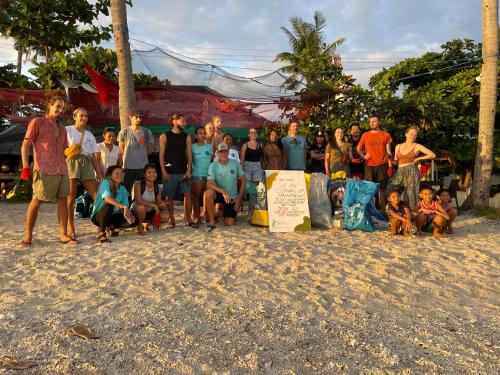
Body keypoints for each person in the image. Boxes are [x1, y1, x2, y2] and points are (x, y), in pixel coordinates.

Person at [19, 95, 78, 247]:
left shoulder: (63, 128)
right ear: (50, 106)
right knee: (36, 202)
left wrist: (72, 151)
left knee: (63, 202)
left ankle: (63, 235)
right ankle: (28, 236)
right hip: (44, 168)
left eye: (63, 108)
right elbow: (25, 145)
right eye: (58, 106)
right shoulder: (37, 122)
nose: (60, 110)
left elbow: (64, 150)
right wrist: (26, 167)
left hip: (62, 169)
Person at [65, 108, 104, 239]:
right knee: (70, 198)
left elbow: (93, 156)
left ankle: (100, 225)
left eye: (86, 116)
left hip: (86, 162)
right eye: (81, 115)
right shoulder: (67, 130)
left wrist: (98, 171)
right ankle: (70, 227)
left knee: (97, 196)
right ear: (74, 116)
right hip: (71, 162)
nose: (84, 118)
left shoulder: (89, 135)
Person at [159, 113, 197, 228]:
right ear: (174, 121)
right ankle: (172, 219)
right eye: (182, 121)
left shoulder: (187, 136)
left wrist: (189, 169)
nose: (185, 123)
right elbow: (161, 155)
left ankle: (188, 219)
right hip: (169, 172)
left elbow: (189, 154)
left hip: (183, 172)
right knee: (169, 197)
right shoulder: (164, 136)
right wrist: (163, 171)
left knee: (188, 194)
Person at [390, 126, 436, 211]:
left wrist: (419, 158)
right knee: (393, 190)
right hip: (400, 171)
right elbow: (396, 162)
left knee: (411, 195)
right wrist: (389, 160)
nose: (413, 136)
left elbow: (432, 155)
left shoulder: (417, 146)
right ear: (406, 134)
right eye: (411, 134)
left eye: (415, 135)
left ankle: (412, 214)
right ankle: (395, 211)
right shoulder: (398, 146)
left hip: (412, 170)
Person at [206, 143, 247, 231]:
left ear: (228, 152)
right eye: (221, 152)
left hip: (231, 196)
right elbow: (209, 184)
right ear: (217, 153)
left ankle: (220, 213)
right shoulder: (213, 165)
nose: (223, 154)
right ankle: (212, 221)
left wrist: (239, 197)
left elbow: (243, 180)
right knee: (209, 192)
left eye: (225, 151)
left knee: (229, 223)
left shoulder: (235, 163)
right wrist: (223, 192)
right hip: (220, 194)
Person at [356, 116, 393, 210]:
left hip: (382, 164)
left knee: (382, 189)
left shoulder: (386, 135)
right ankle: (372, 211)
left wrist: (390, 165)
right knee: (370, 189)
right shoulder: (365, 135)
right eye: (370, 122)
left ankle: (383, 212)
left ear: (379, 122)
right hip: (369, 165)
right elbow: (358, 148)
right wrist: (364, 156)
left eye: (374, 121)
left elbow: (389, 152)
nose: (372, 123)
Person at [91, 166, 134, 243]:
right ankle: (102, 233)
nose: (119, 175)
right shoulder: (105, 182)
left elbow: (125, 207)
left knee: (134, 219)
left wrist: (129, 214)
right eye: (116, 173)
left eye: (121, 173)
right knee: (109, 206)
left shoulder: (123, 188)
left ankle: (111, 226)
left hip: (113, 216)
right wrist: (122, 207)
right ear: (110, 175)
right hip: (98, 217)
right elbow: (107, 199)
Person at [117, 111, 154, 193]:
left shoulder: (147, 132)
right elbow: (121, 149)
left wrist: (141, 155)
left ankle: (141, 205)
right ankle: (126, 205)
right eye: (136, 117)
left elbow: (150, 148)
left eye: (140, 117)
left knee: (143, 189)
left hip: (143, 167)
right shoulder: (124, 131)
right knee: (127, 190)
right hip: (128, 167)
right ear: (131, 117)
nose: (138, 119)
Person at [131, 164, 168, 234]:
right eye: (149, 172)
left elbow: (158, 203)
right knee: (141, 207)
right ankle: (140, 225)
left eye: (154, 172)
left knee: (166, 215)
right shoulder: (138, 184)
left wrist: (162, 204)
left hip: (150, 211)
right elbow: (139, 200)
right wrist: (154, 206)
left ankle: (147, 224)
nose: (152, 174)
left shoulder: (158, 188)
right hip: (137, 211)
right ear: (144, 174)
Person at [191, 126, 213, 224]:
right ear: (196, 135)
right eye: (200, 133)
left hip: (209, 177)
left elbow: (212, 161)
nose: (203, 135)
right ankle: (198, 218)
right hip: (197, 176)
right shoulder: (192, 147)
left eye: (204, 133)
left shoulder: (209, 146)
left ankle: (207, 215)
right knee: (197, 197)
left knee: (208, 196)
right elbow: (189, 161)